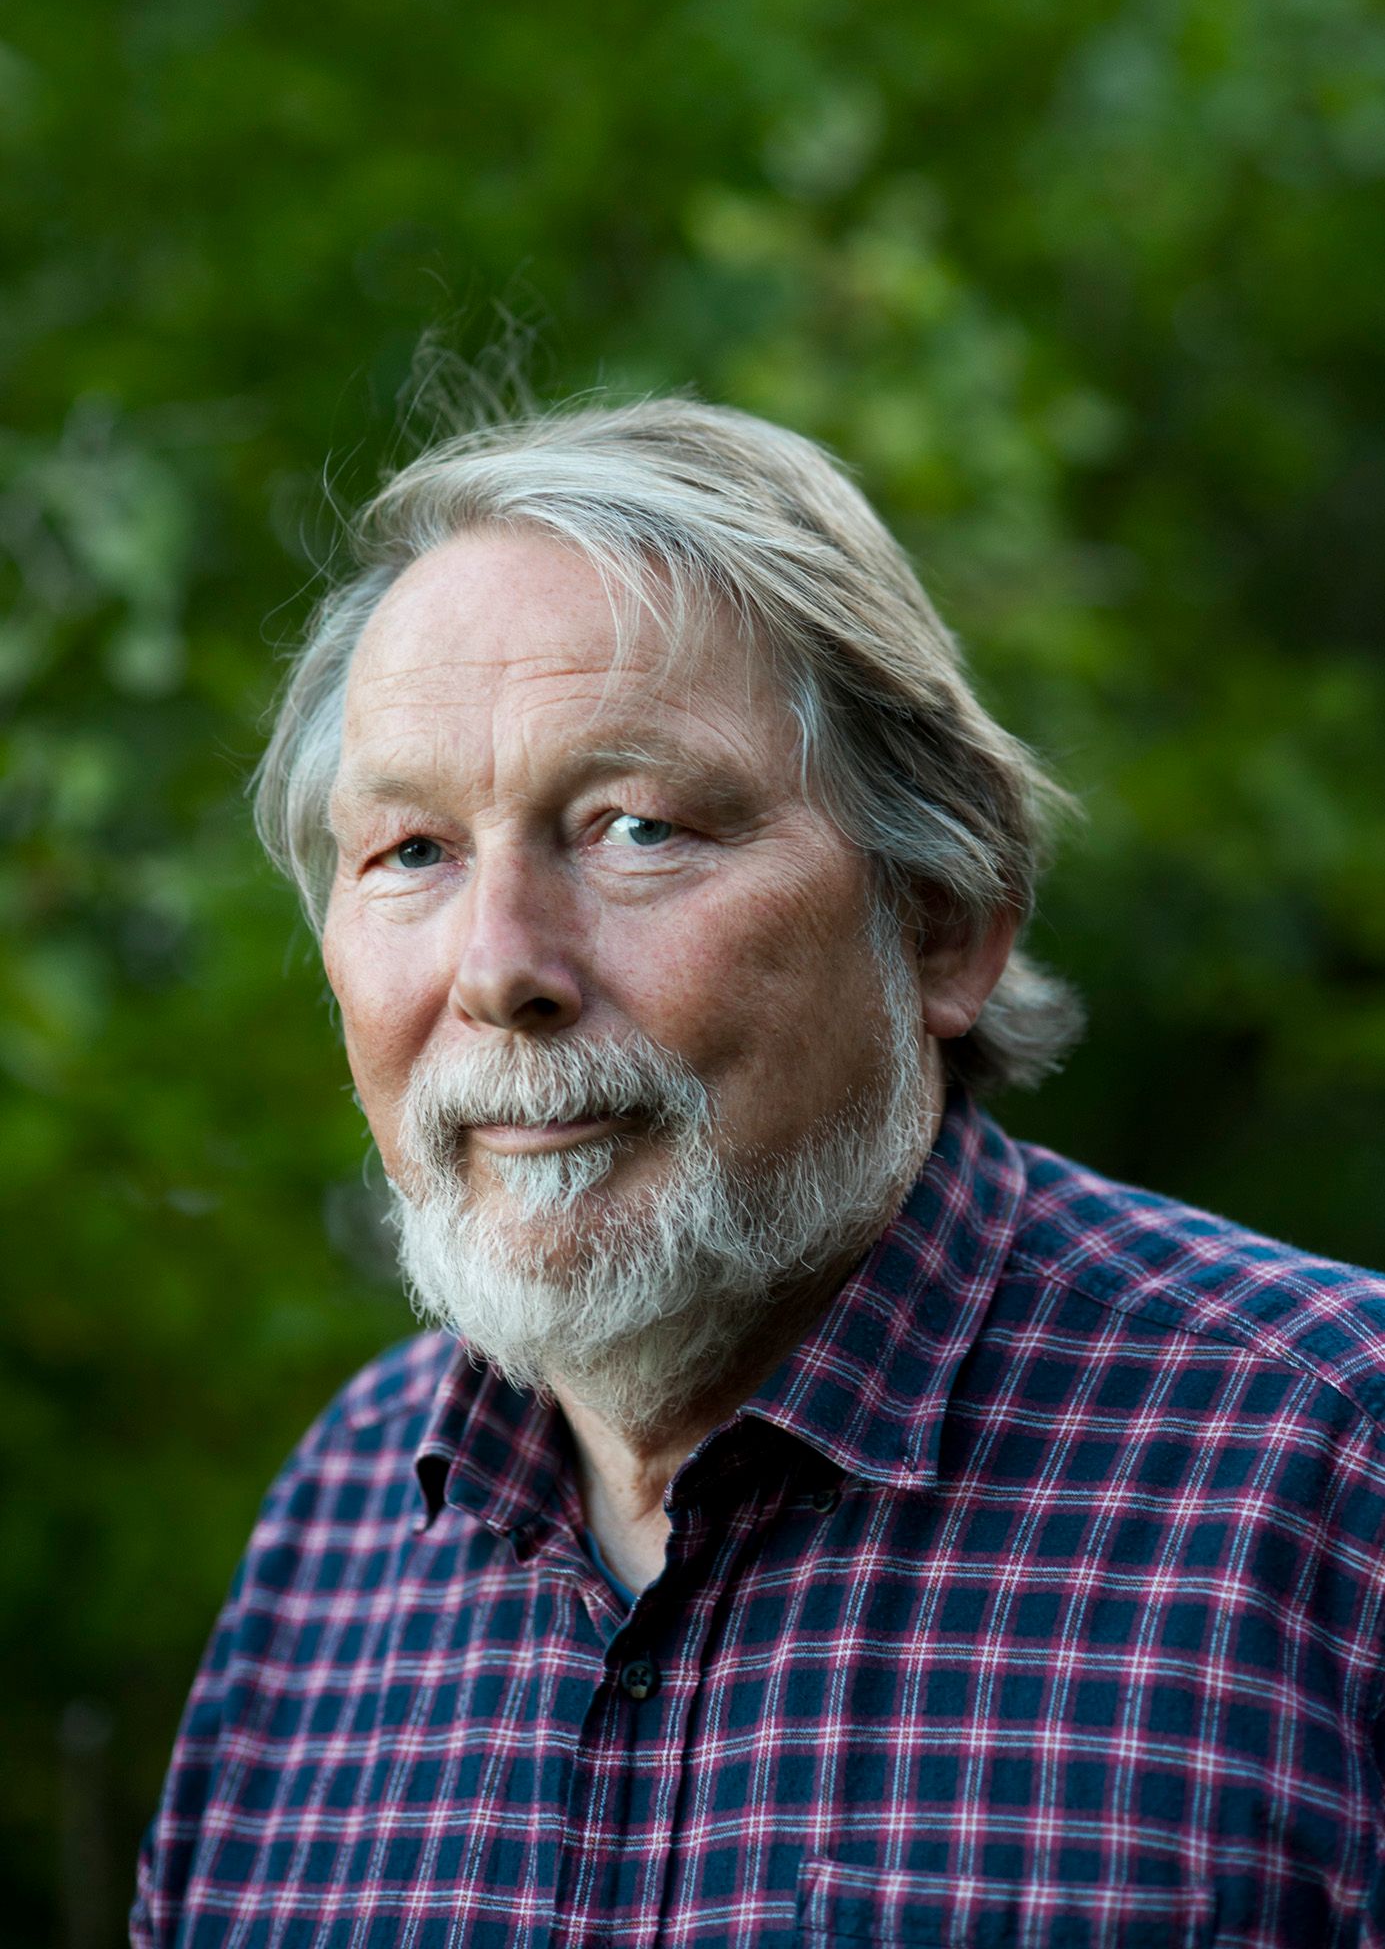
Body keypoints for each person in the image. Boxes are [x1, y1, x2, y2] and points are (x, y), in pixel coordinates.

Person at [134, 397, 1385, 1949]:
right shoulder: (336, 1527)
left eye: (635, 828)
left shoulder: (1334, 1473)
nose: (500, 970)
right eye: (412, 853)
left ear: (939, 923)